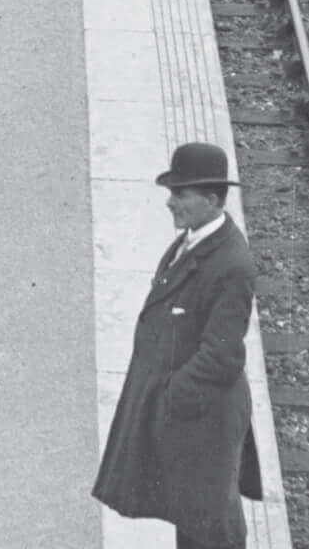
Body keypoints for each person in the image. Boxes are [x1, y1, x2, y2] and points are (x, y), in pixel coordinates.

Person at [93, 143, 267, 549]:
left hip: (204, 421)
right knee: (193, 521)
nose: (170, 203)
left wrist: (169, 396)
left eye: (179, 195)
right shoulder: (194, 241)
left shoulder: (232, 265)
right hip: (189, 416)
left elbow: (222, 356)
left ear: (210, 200)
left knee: (212, 532)